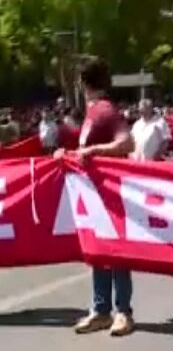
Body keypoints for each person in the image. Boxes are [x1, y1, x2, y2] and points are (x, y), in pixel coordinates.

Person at [53, 57, 136, 336]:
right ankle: (101, 310)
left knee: (117, 251)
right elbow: (87, 152)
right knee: (98, 250)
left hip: (110, 193)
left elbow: (127, 142)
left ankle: (122, 311)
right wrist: (68, 155)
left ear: (82, 83)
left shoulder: (105, 110)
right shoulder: (91, 113)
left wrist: (94, 151)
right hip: (92, 193)